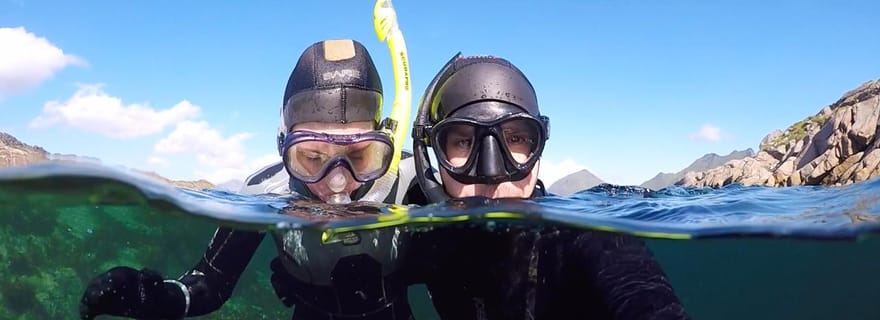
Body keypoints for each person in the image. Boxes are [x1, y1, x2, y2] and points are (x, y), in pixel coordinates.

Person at [79, 39, 421, 320]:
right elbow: (211, 282)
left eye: (361, 156)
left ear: (385, 145)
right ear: (283, 147)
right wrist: (159, 300)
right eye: (312, 158)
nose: (337, 184)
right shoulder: (265, 190)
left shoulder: (410, 181)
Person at [403, 54, 690, 319]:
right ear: (431, 156)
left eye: (515, 139)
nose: (492, 174)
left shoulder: (587, 235)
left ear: (538, 147)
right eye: (464, 141)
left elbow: (643, 298)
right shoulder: (419, 234)